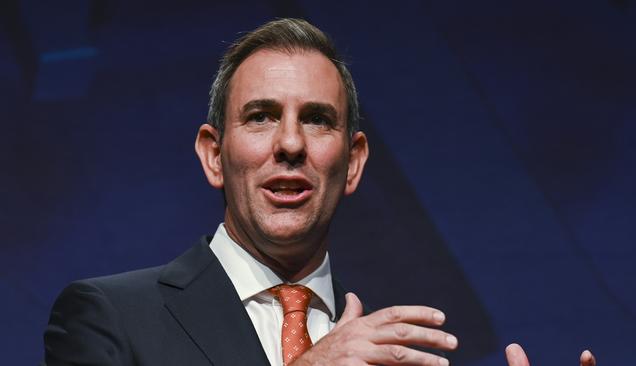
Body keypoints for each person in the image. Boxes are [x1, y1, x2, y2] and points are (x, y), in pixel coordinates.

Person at [44, 18, 597, 366]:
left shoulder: (392, 354)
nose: (289, 143)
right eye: (261, 117)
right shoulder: (109, 315)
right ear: (214, 154)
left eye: (316, 120)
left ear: (353, 163)